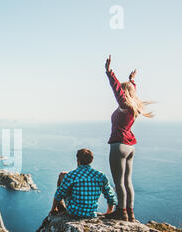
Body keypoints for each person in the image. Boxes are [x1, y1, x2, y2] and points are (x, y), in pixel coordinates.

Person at [104, 55, 154, 222]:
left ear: (124, 94)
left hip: (119, 145)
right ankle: (130, 213)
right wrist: (132, 81)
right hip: (130, 146)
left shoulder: (125, 106)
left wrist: (109, 72)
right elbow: (129, 92)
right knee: (127, 181)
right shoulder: (134, 108)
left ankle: (121, 211)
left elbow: (117, 89)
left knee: (118, 182)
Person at [49, 148, 117, 218]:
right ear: (91, 160)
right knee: (64, 176)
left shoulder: (71, 175)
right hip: (91, 213)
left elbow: (59, 194)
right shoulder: (100, 176)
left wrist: (53, 209)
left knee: (62, 176)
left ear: (78, 160)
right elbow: (110, 195)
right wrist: (109, 211)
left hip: (73, 212)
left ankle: (59, 206)